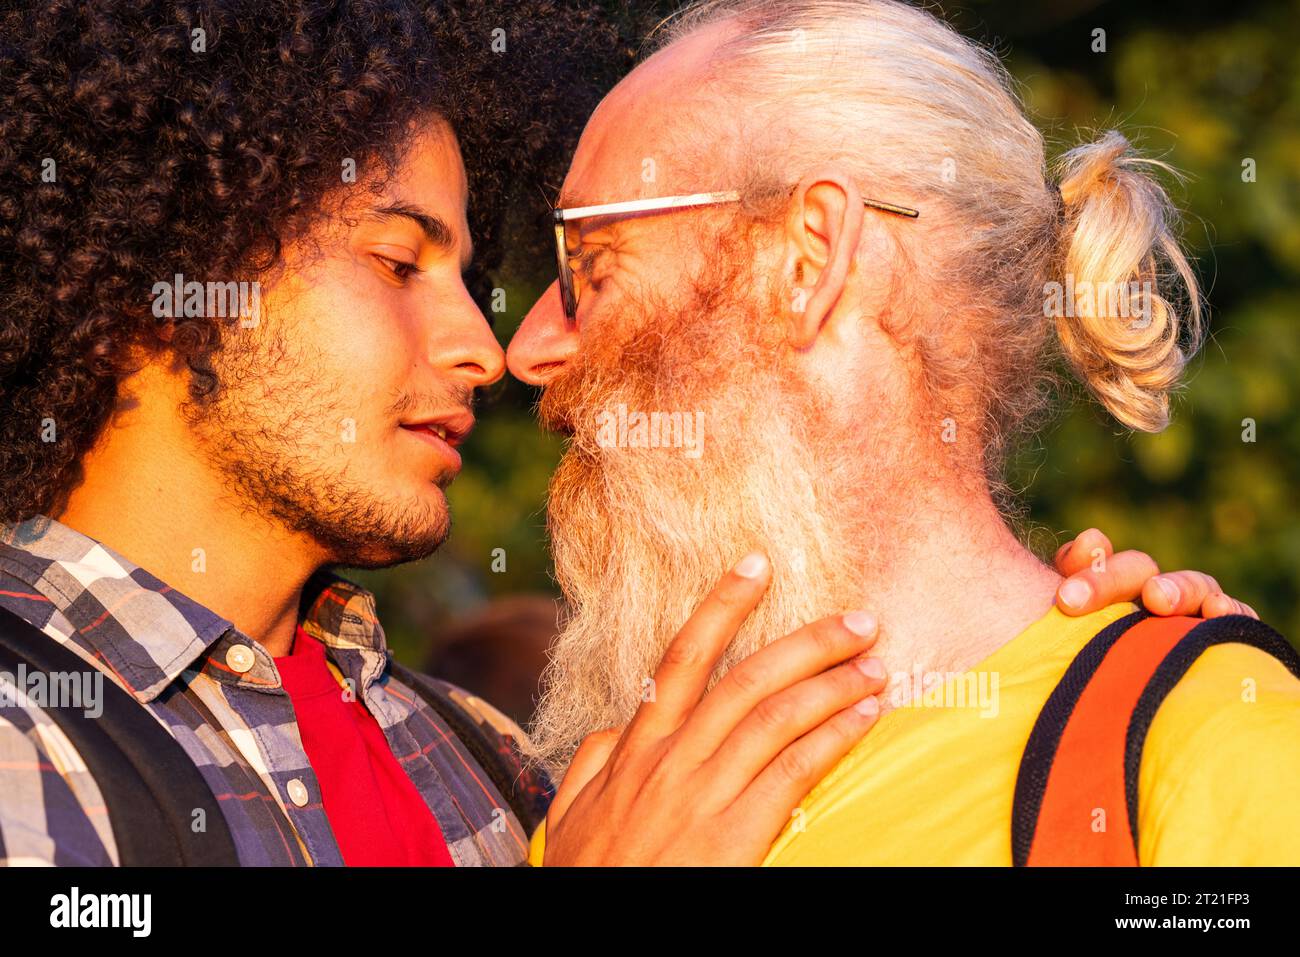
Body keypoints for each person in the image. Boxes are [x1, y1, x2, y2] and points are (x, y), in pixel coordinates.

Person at [507, 0, 1300, 864]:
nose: (528, 348)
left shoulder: (1208, 742)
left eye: (591, 264)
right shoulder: (615, 815)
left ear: (808, 260)